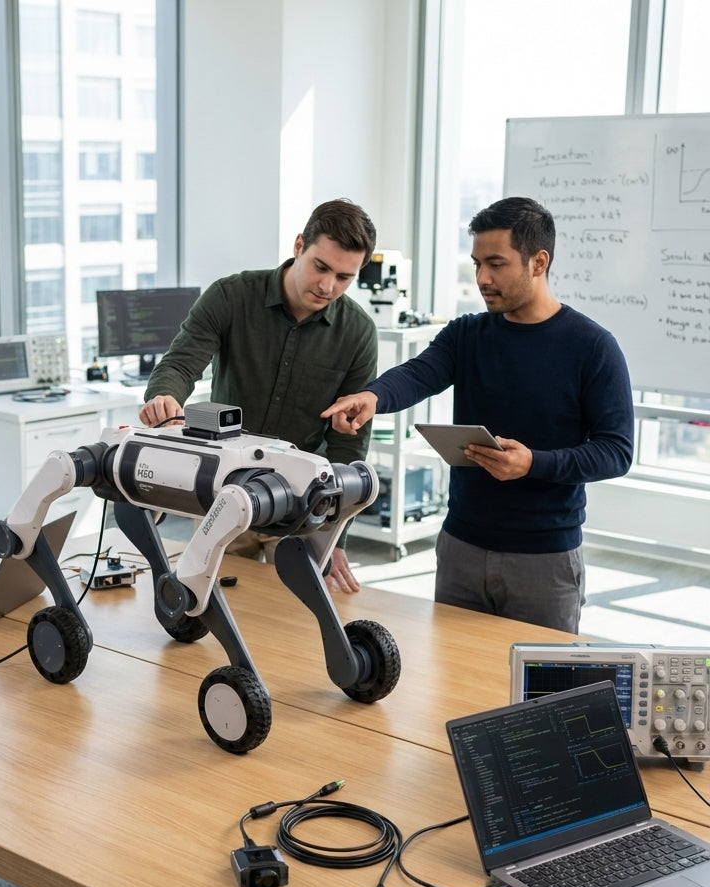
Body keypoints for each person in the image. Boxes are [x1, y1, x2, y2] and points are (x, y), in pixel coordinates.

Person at [321, 196, 634, 633]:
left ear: (538, 262)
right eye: (477, 264)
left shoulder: (593, 347)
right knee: (452, 674)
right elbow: (418, 374)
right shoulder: (467, 334)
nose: (482, 278)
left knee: (535, 679)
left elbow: (616, 451)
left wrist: (533, 463)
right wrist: (372, 397)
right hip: (460, 548)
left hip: (544, 560)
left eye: (496, 264)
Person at [139, 198, 379, 593]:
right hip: (224, 492)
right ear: (299, 245)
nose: (327, 286)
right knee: (212, 603)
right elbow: (180, 363)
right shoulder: (231, 296)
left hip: (303, 502)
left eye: (344, 277)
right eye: (321, 267)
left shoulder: (358, 332)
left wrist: (335, 534)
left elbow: (349, 444)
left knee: (294, 617)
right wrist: (164, 396)